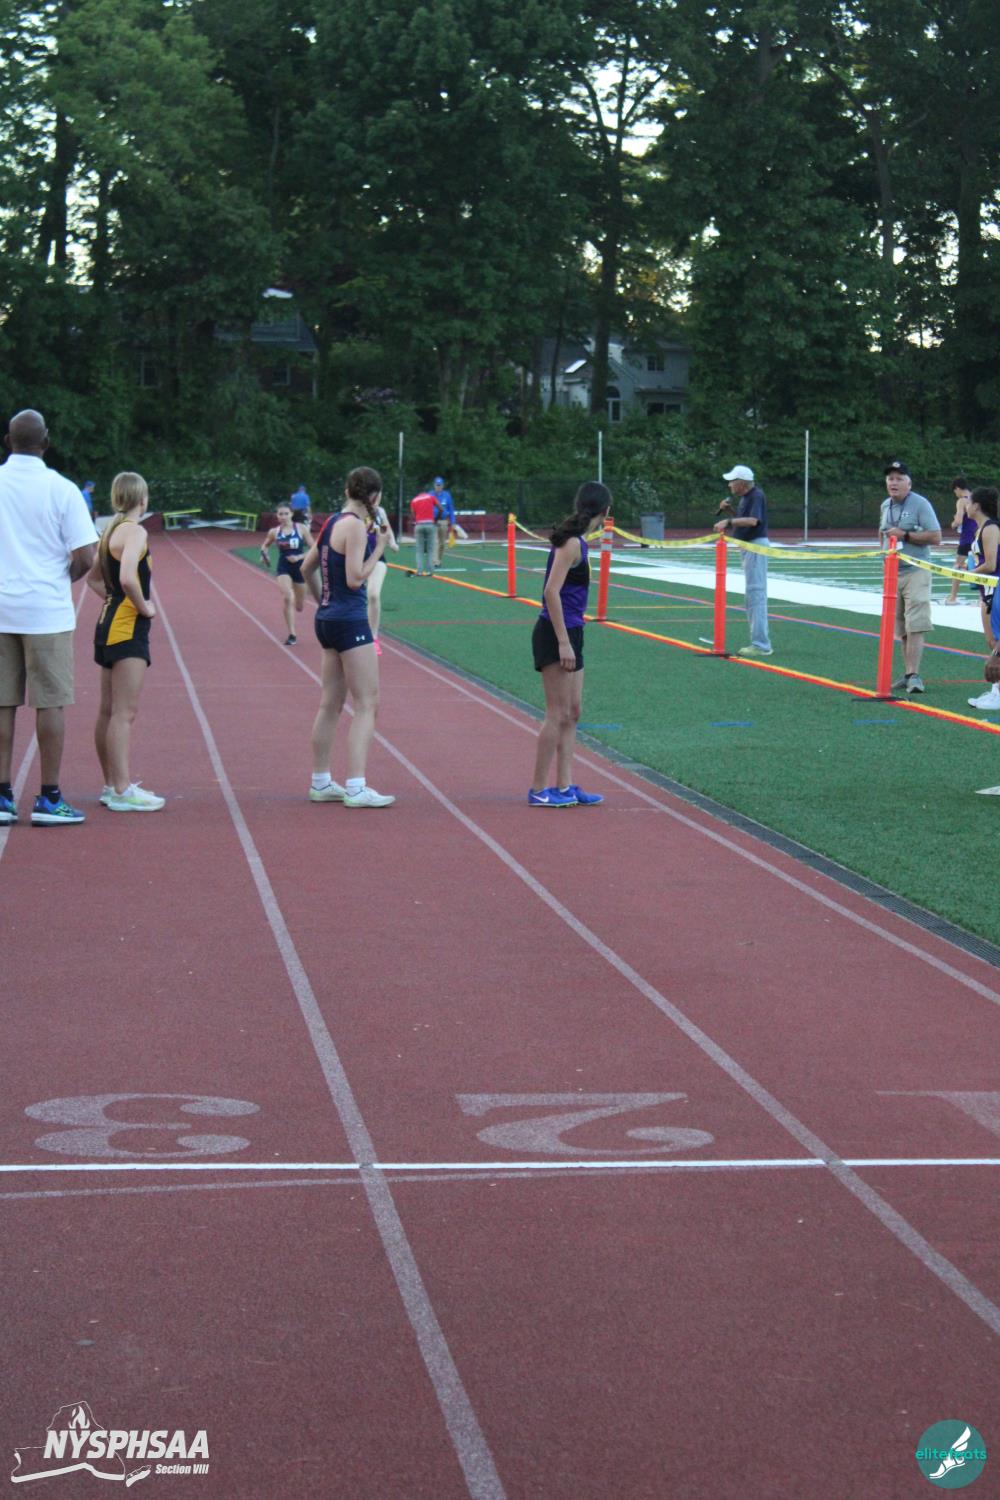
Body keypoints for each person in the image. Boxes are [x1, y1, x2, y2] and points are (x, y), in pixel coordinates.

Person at [0, 409, 97, 826]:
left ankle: (2, 796)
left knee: (2, 702)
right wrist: (60, 580)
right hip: (46, 611)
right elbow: (85, 556)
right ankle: (49, 797)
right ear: (46, 441)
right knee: (50, 702)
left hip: (1, 608)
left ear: (8, 441)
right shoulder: (63, 489)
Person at [301, 466, 395, 808]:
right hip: (350, 621)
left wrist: (323, 603)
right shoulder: (354, 526)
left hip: (327, 619)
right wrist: (379, 547)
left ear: (346, 491)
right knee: (367, 703)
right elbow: (356, 579)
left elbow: (306, 568)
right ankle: (356, 787)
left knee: (330, 703)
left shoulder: (331, 522)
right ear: (375, 497)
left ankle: (321, 781)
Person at [528, 481, 611, 807]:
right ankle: (538, 789)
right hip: (555, 632)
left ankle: (564, 786)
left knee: (573, 711)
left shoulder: (581, 543)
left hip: (574, 630)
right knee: (557, 713)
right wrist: (563, 642)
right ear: (605, 511)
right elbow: (551, 591)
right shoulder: (572, 544)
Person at [87, 472, 164, 811]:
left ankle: (111, 785)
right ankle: (121, 789)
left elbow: (93, 579)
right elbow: (128, 577)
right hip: (128, 628)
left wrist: (115, 600)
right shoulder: (135, 531)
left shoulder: (109, 531)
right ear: (142, 499)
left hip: (107, 625)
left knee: (108, 711)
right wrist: (144, 606)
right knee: (124, 713)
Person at [877, 460, 942, 695]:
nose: (893, 483)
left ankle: (914, 674)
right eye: (890, 478)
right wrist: (883, 558)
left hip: (916, 570)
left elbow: (936, 536)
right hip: (893, 572)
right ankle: (907, 674)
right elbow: (882, 534)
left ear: (909, 483)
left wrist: (905, 535)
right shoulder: (886, 505)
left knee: (916, 623)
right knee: (902, 626)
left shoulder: (920, 504)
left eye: (899, 478)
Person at [714, 465, 772, 657]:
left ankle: (761, 645)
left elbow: (753, 521)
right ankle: (759, 642)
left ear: (742, 483)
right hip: (749, 546)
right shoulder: (747, 498)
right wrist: (730, 512)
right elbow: (744, 520)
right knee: (752, 595)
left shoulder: (756, 495)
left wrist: (728, 521)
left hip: (755, 546)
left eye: (732, 481)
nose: (729, 485)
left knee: (756, 594)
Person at [964, 486, 1000, 712]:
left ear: (976, 506)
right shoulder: (980, 529)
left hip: (995, 589)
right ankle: (996, 691)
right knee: (992, 641)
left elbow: (991, 564)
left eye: (969, 501)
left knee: (998, 642)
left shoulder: (990, 528)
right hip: (986, 591)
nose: (965, 506)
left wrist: (967, 574)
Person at [260, 503, 312, 644]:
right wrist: (264, 554)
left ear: (291, 514)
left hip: (300, 568)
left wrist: (299, 557)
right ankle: (292, 634)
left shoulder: (301, 529)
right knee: (288, 597)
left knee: (299, 606)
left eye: (286, 513)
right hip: (284, 567)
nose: (283, 516)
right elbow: (265, 545)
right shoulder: (274, 532)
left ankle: (298, 602)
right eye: (280, 514)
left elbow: (314, 549)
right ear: (277, 516)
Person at [367, 499, 399, 656]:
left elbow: (387, 528)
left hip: (377, 557)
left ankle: (373, 637)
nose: (375, 499)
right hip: (356, 558)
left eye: (378, 496)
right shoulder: (354, 512)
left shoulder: (380, 511)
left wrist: (392, 542)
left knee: (373, 594)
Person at [944, 476, 975, 605]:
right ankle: (982, 599)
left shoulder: (962, 501)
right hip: (978, 536)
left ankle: (952, 597)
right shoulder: (976, 498)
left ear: (957, 488)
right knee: (980, 565)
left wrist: (953, 524)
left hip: (966, 537)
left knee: (957, 565)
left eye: (955, 491)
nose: (955, 494)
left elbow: (958, 521)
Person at [410, 489, 438, 575]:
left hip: (419, 525)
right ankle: (430, 570)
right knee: (430, 549)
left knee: (419, 549)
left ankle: (419, 571)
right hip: (430, 524)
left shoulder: (414, 500)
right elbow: (441, 508)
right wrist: (436, 519)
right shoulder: (431, 497)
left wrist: (416, 520)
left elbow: (413, 513)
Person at [431, 476, 455, 566]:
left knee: (442, 543)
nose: (438, 487)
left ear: (442, 485)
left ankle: (439, 560)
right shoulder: (430, 495)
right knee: (434, 542)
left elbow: (451, 509)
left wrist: (453, 522)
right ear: (434, 485)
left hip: (443, 521)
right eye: (437, 485)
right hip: (433, 521)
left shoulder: (447, 495)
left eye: (440, 485)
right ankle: (435, 561)